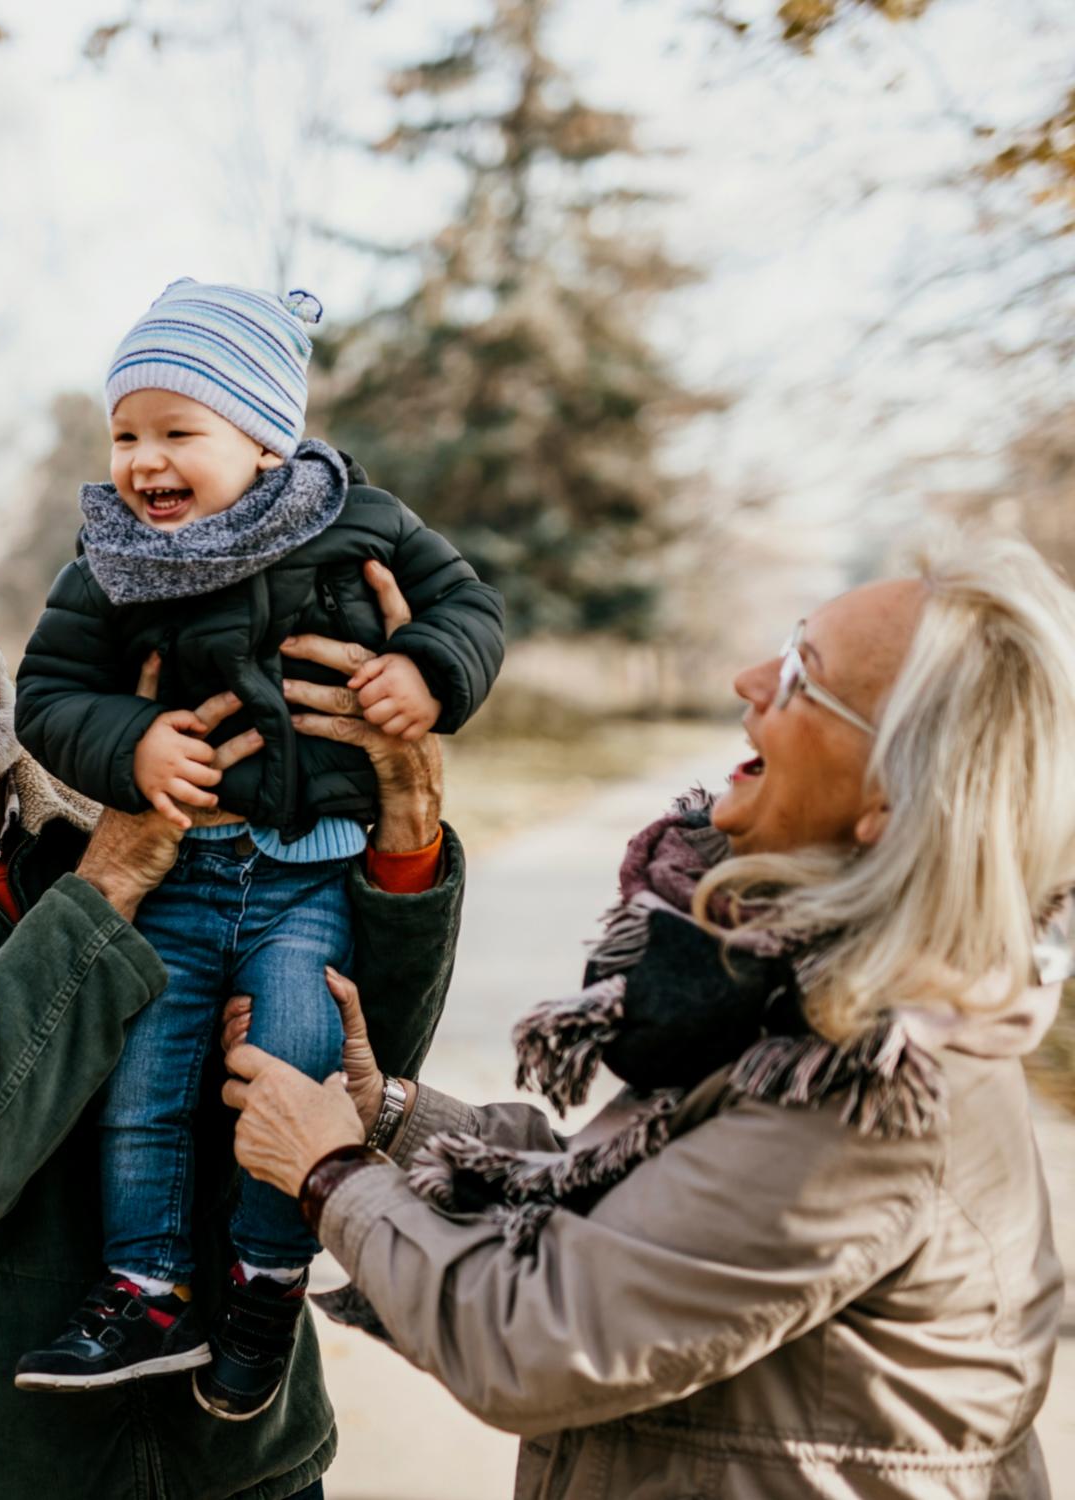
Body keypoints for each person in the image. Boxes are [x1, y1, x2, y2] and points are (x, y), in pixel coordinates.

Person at [223, 530, 1075, 1497]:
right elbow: (636, 1214)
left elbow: (540, 1335)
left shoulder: (868, 1089)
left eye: (803, 674)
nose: (750, 679)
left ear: (891, 794)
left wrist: (331, 1173)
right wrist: (393, 1116)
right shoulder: (814, 1001)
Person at [0, 496, 468, 1499]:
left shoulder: (166, 780)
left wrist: (403, 823)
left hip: (235, 1460)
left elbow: (355, 1075)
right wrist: (114, 874)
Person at [13, 277, 504, 1418]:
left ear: (265, 437)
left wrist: (424, 668)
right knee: (144, 1080)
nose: (142, 462)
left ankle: (266, 1282)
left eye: (177, 431)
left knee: (290, 1075)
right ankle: (144, 1286)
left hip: (307, 875)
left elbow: (465, 606)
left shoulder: (361, 524)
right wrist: (130, 742)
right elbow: (49, 693)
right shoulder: (112, 563)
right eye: (124, 434)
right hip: (180, 875)